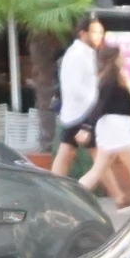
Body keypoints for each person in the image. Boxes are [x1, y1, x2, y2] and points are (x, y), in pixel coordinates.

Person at [79, 44, 130, 208]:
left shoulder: (109, 77)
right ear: (114, 58)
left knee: (98, 170)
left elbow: (99, 105)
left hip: (110, 127)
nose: (124, 58)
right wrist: (87, 126)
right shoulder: (111, 79)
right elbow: (100, 104)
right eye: (121, 55)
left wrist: (87, 126)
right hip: (116, 127)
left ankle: (73, 197)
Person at [49, 15, 104, 175]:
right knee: (97, 157)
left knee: (70, 154)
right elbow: (74, 86)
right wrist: (94, 100)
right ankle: (118, 194)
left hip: (81, 113)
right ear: (82, 33)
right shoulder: (77, 54)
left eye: (101, 32)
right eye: (95, 32)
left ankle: (118, 193)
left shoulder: (88, 54)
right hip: (79, 113)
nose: (99, 36)